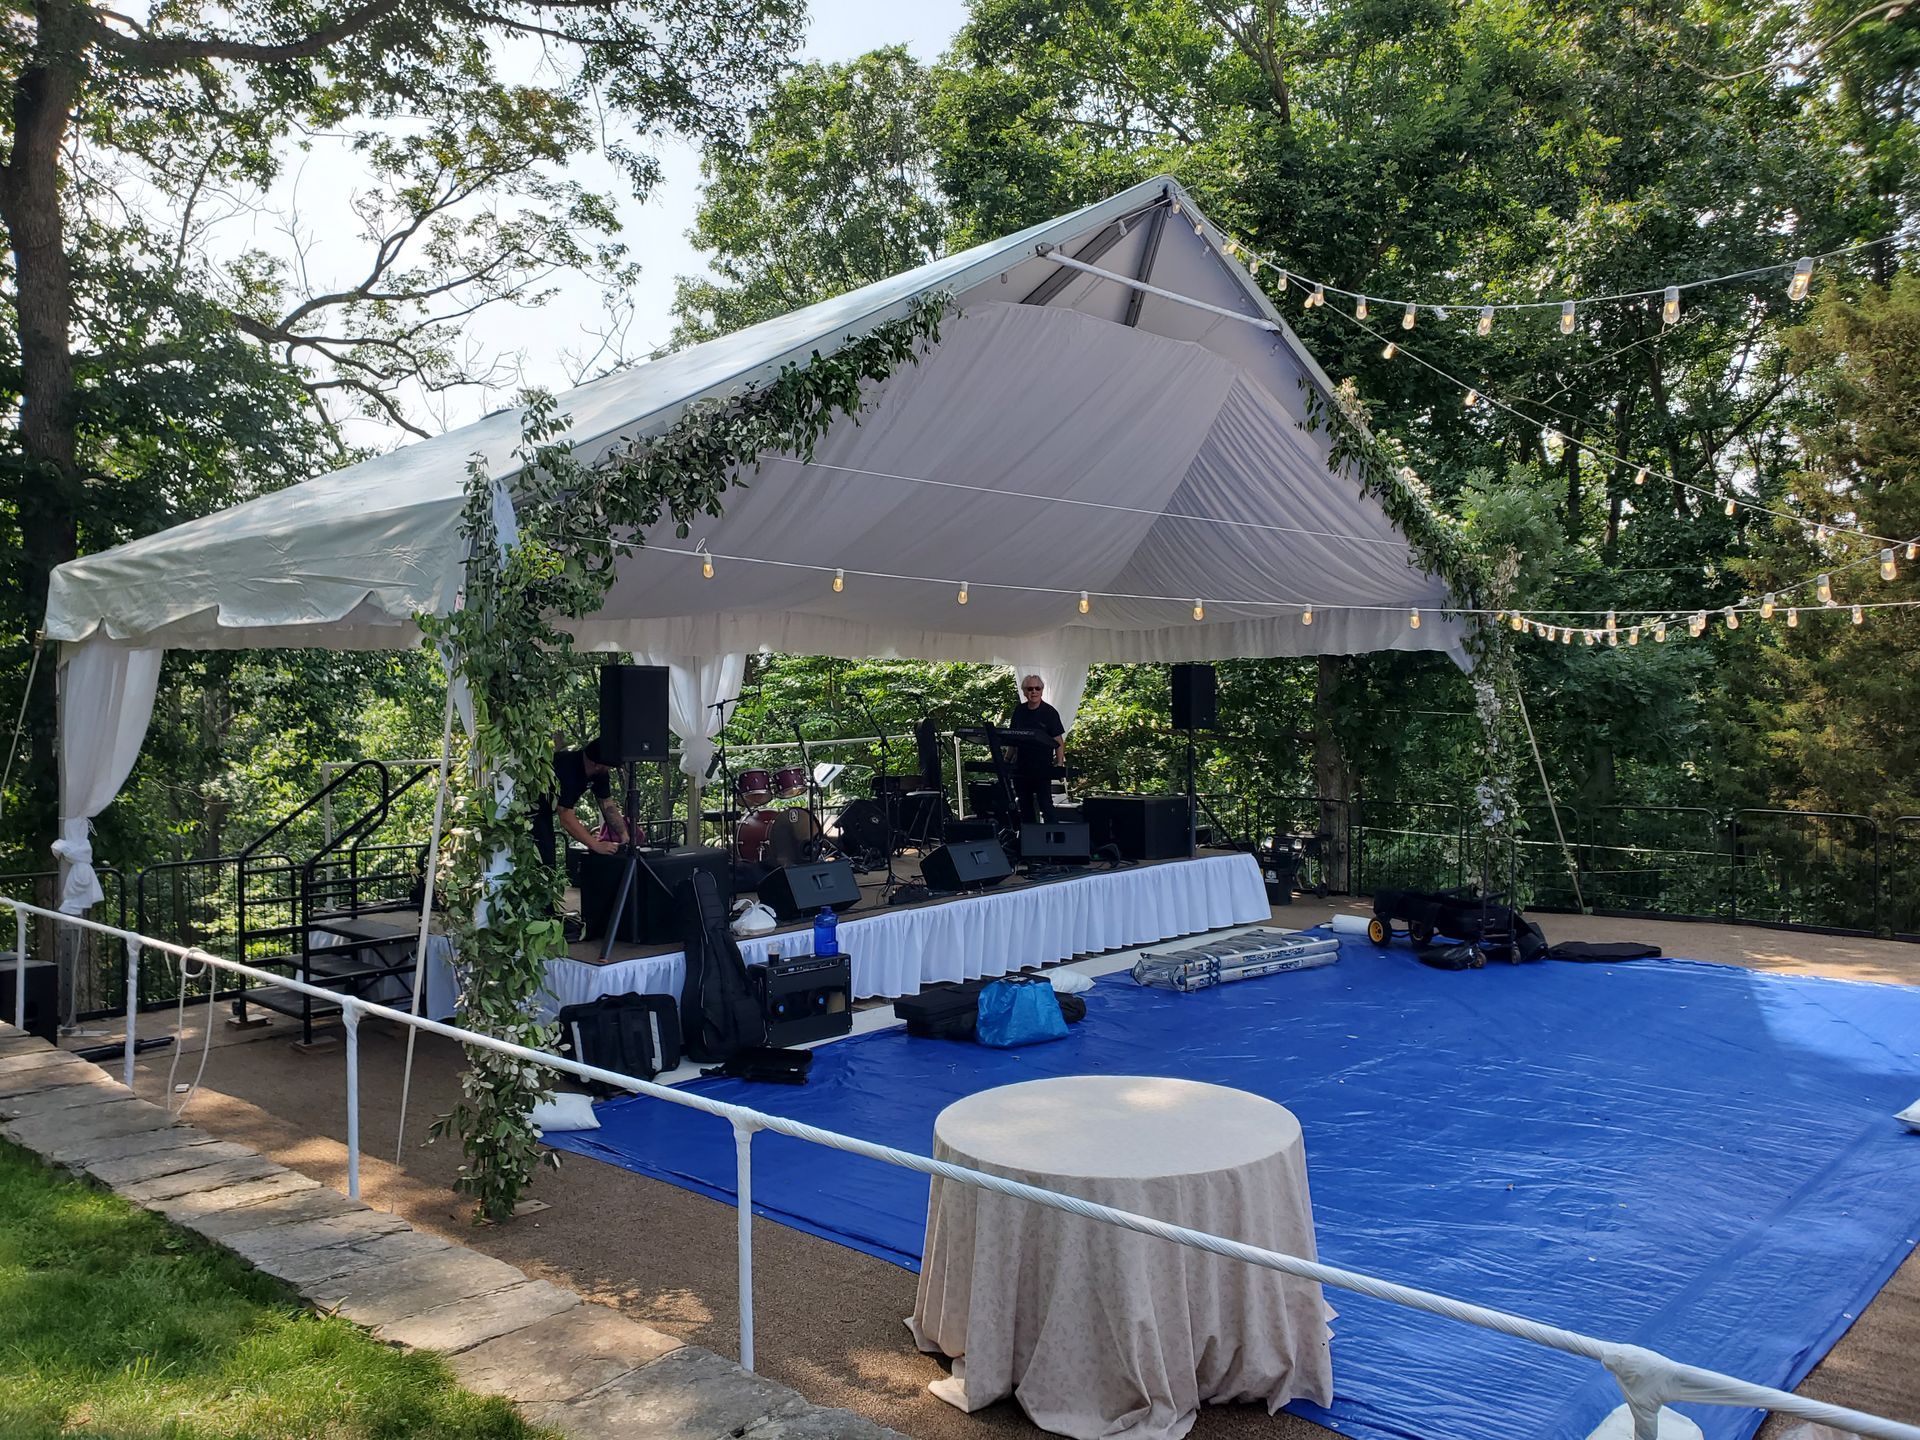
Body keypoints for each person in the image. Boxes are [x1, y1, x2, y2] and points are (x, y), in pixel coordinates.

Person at [532, 738, 628, 869]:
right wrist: (595, 845)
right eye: (609, 766)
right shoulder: (568, 768)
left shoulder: (599, 774)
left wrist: (624, 835)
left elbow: (607, 805)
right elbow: (566, 817)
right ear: (597, 764)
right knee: (544, 856)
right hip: (530, 809)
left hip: (546, 811)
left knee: (547, 849)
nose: (609, 769)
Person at [1005, 675, 1066, 823]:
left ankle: (1053, 839)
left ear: (1042, 690)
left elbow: (1058, 740)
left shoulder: (1050, 712)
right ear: (1024, 692)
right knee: (1025, 806)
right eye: (1030, 689)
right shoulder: (1019, 711)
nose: (1034, 691)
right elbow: (1012, 739)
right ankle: (1028, 840)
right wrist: (1006, 760)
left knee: (1045, 804)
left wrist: (1059, 764)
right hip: (1021, 767)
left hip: (1041, 767)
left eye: (1037, 688)